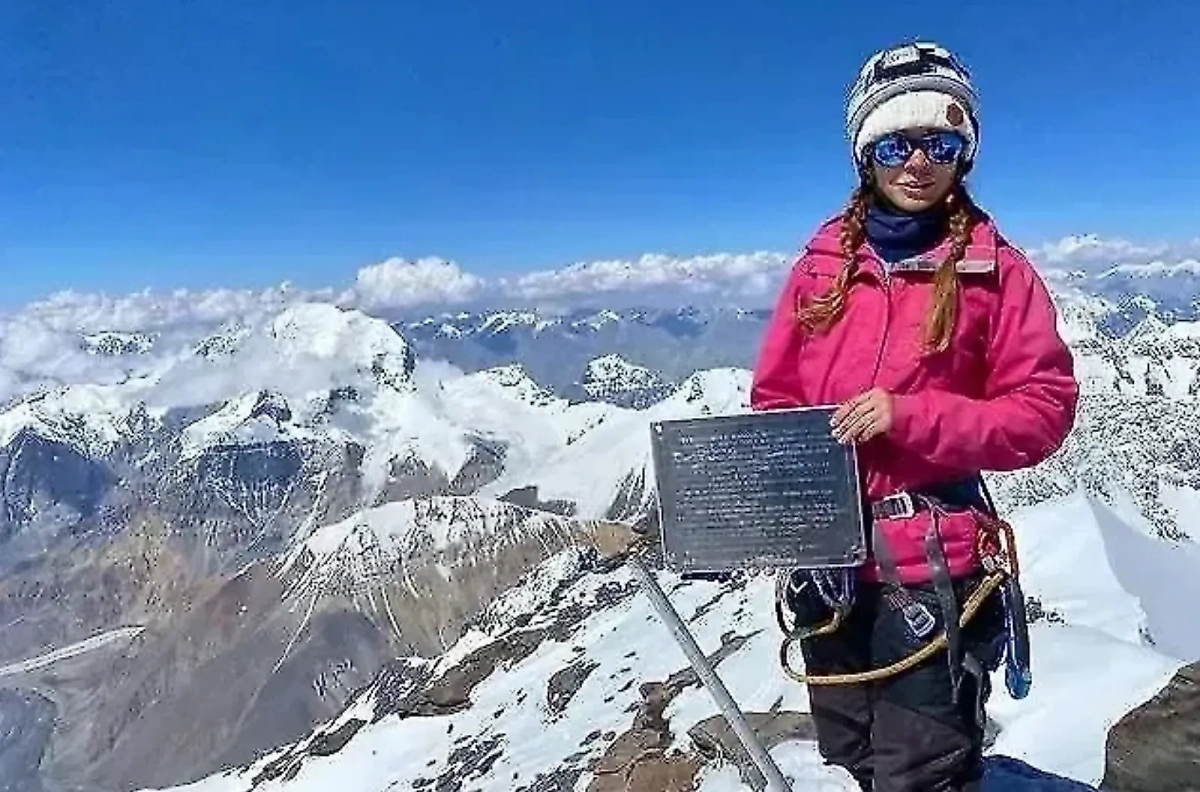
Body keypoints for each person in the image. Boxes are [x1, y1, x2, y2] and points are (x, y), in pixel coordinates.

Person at [750, 41, 1080, 792]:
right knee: (851, 747)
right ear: (866, 153)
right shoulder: (820, 267)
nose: (918, 162)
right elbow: (774, 402)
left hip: (931, 563)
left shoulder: (998, 273)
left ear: (965, 154)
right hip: (828, 562)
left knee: (922, 769)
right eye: (896, 142)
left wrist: (911, 418)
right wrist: (781, 506)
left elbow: (1043, 413)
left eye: (942, 142)